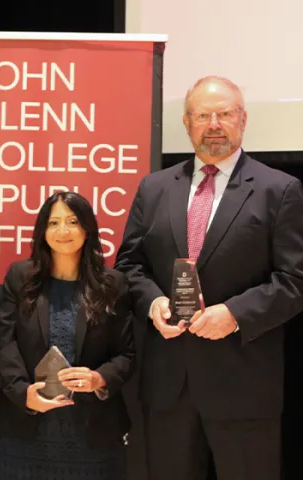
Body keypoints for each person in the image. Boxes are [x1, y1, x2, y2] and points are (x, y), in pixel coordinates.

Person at [115, 76, 303, 480]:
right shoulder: (154, 188)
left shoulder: (280, 189)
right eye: (202, 115)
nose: (214, 123)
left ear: (243, 120)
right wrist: (153, 303)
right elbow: (129, 266)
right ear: (186, 123)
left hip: (244, 384)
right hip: (169, 386)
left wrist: (234, 314)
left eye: (224, 114)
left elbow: (294, 280)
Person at [0, 191, 135, 480]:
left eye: (72, 222)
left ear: (87, 230)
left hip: (93, 434)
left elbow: (127, 354)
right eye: (53, 223)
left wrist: (99, 379)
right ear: (43, 231)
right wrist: (23, 393)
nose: (63, 231)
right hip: (27, 429)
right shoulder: (20, 277)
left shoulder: (112, 284)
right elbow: (6, 343)